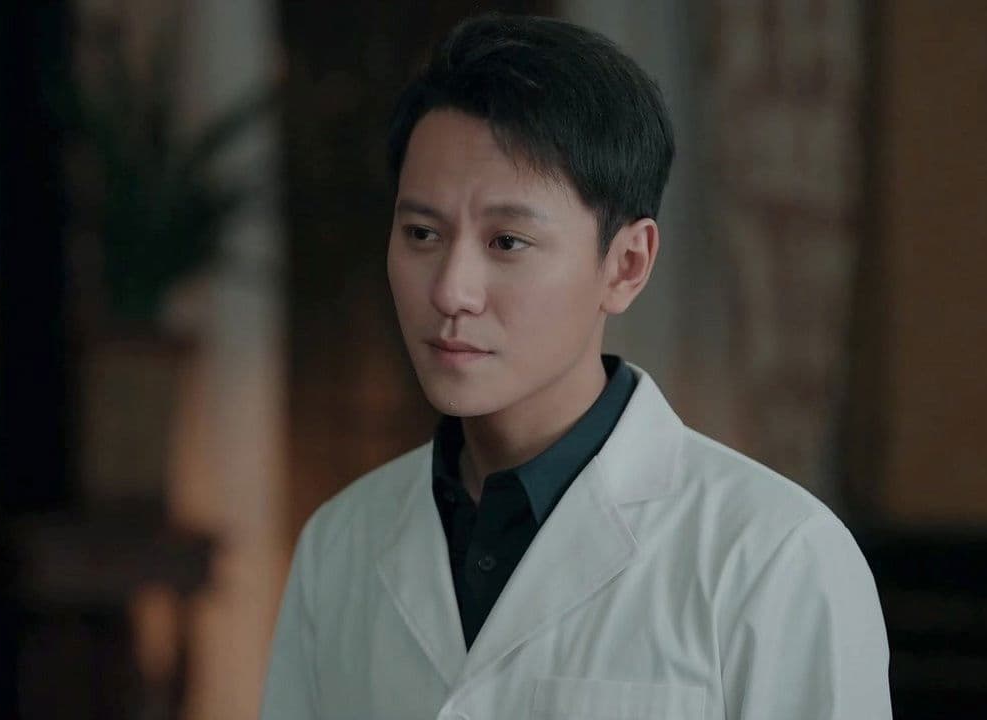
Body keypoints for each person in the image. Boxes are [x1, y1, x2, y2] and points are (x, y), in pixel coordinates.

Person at [260, 13, 890, 720]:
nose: (451, 291)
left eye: (507, 241)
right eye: (422, 233)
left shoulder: (774, 555)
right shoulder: (340, 543)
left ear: (626, 265)